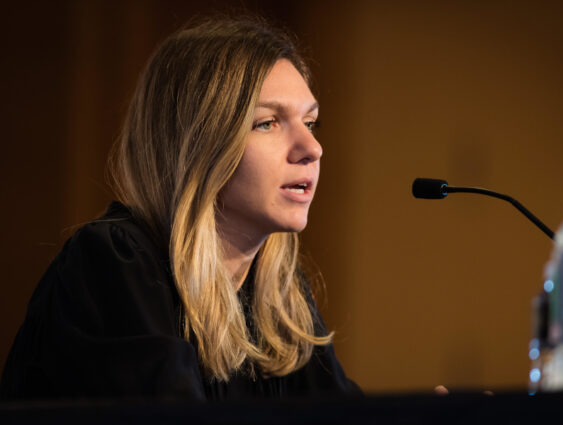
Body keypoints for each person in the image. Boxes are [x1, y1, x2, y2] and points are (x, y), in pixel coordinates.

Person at [0, 16, 359, 401]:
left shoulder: (278, 294)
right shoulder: (114, 261)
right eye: (268, 123)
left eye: (311, 122)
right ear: (197, 144)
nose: (312, 149)